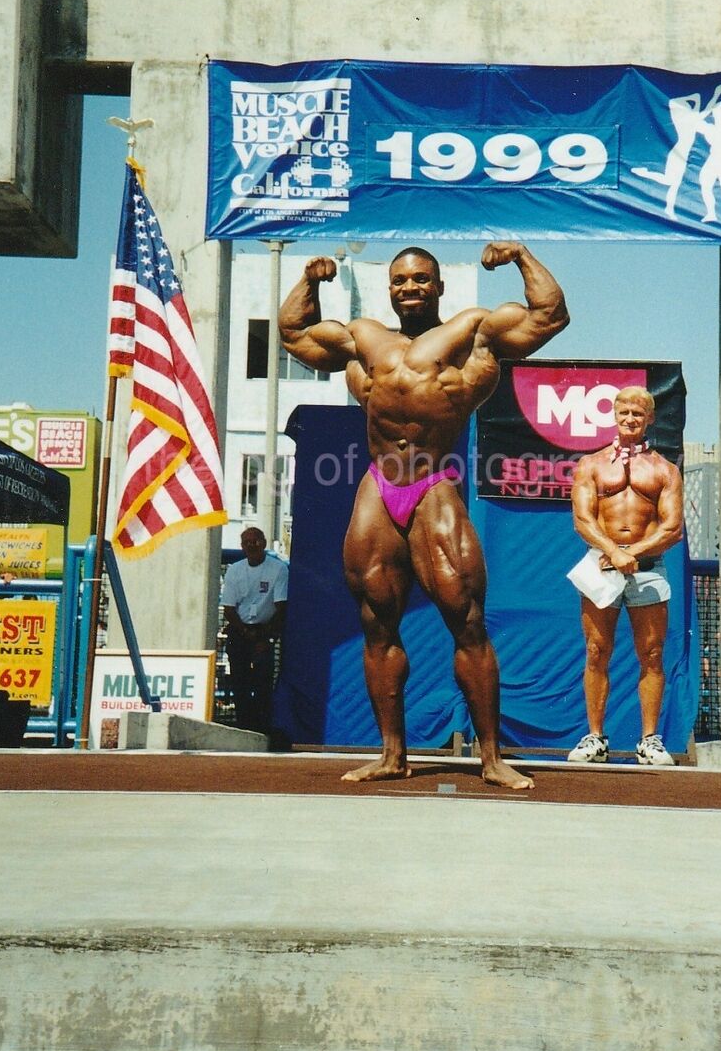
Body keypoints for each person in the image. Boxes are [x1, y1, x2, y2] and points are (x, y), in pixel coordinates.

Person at [278, 242, 568, 790]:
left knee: (467, 620)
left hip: (433, 483)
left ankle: (491, 757)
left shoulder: (473, 332)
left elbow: (550, 315)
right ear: (390, 288)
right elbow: (293, 334)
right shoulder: (363, 338)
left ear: (437, 286)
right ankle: (392, 754)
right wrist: (309, 281)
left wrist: (522, 258)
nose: (409, 288)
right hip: (377, 485)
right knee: (376, 622)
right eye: (400, 281)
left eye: (420, 280)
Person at [566, 387, 684, 767]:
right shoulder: (592, 464)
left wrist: (630, 553)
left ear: (649, 418)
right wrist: (614, 552)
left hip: (647, 571)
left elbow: (673, 528)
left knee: (651, 654)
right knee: (596, 651)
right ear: (614, 415)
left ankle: (649, 740)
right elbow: (583, 518)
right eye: (624, 412)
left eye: (638, 413)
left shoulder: (665, 470)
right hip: (602, 564)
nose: (630, 418)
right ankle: (595, 738)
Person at [220, 526, 289, 733]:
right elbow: (229, 609)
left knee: (263, 684)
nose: (252, 545)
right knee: (239, 682)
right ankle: (243, 727)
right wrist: (244, 631)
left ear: (264, 543)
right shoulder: (234, 570)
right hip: (240, 631)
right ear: (242, 546)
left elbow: (281, 607)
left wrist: (263, 637)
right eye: (247, 542)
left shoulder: (278, 569)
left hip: (265, 631)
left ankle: (262, 729)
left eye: (256, 541)